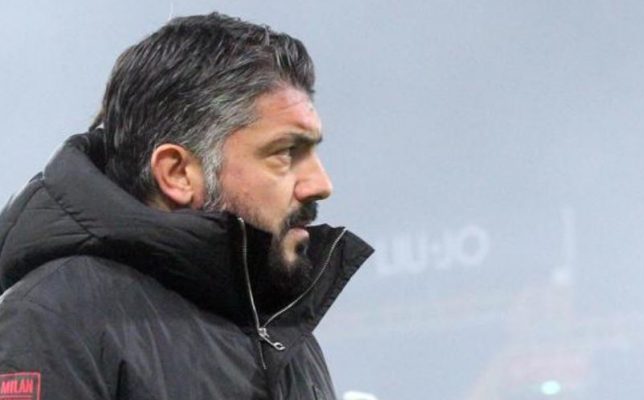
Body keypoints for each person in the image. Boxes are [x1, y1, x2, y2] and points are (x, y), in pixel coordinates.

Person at [0, 12, 372, 400]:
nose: (321, 184)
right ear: (177, 173)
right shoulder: (54, 316)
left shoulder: (283, 327)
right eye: (285, 152)